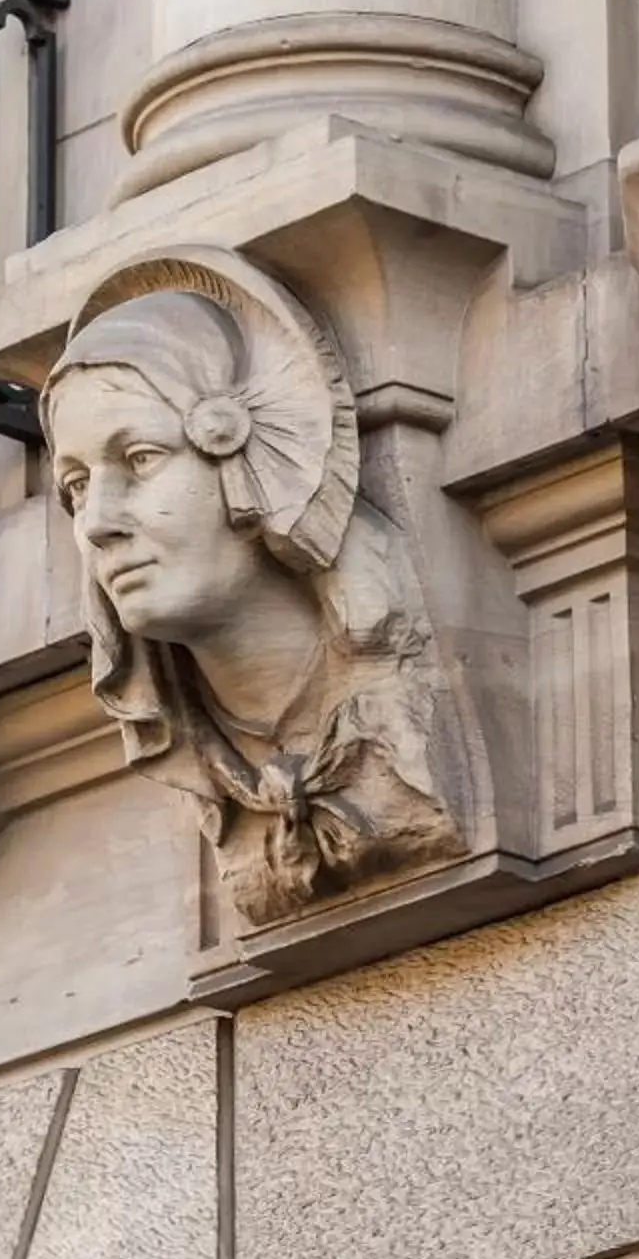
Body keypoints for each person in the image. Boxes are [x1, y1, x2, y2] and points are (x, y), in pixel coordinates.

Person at [43, 249, 467, 927]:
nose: (97, 523)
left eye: (141, 458)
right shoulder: (196, 740)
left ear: (249, 459)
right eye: (76, 485)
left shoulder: (397, 693)